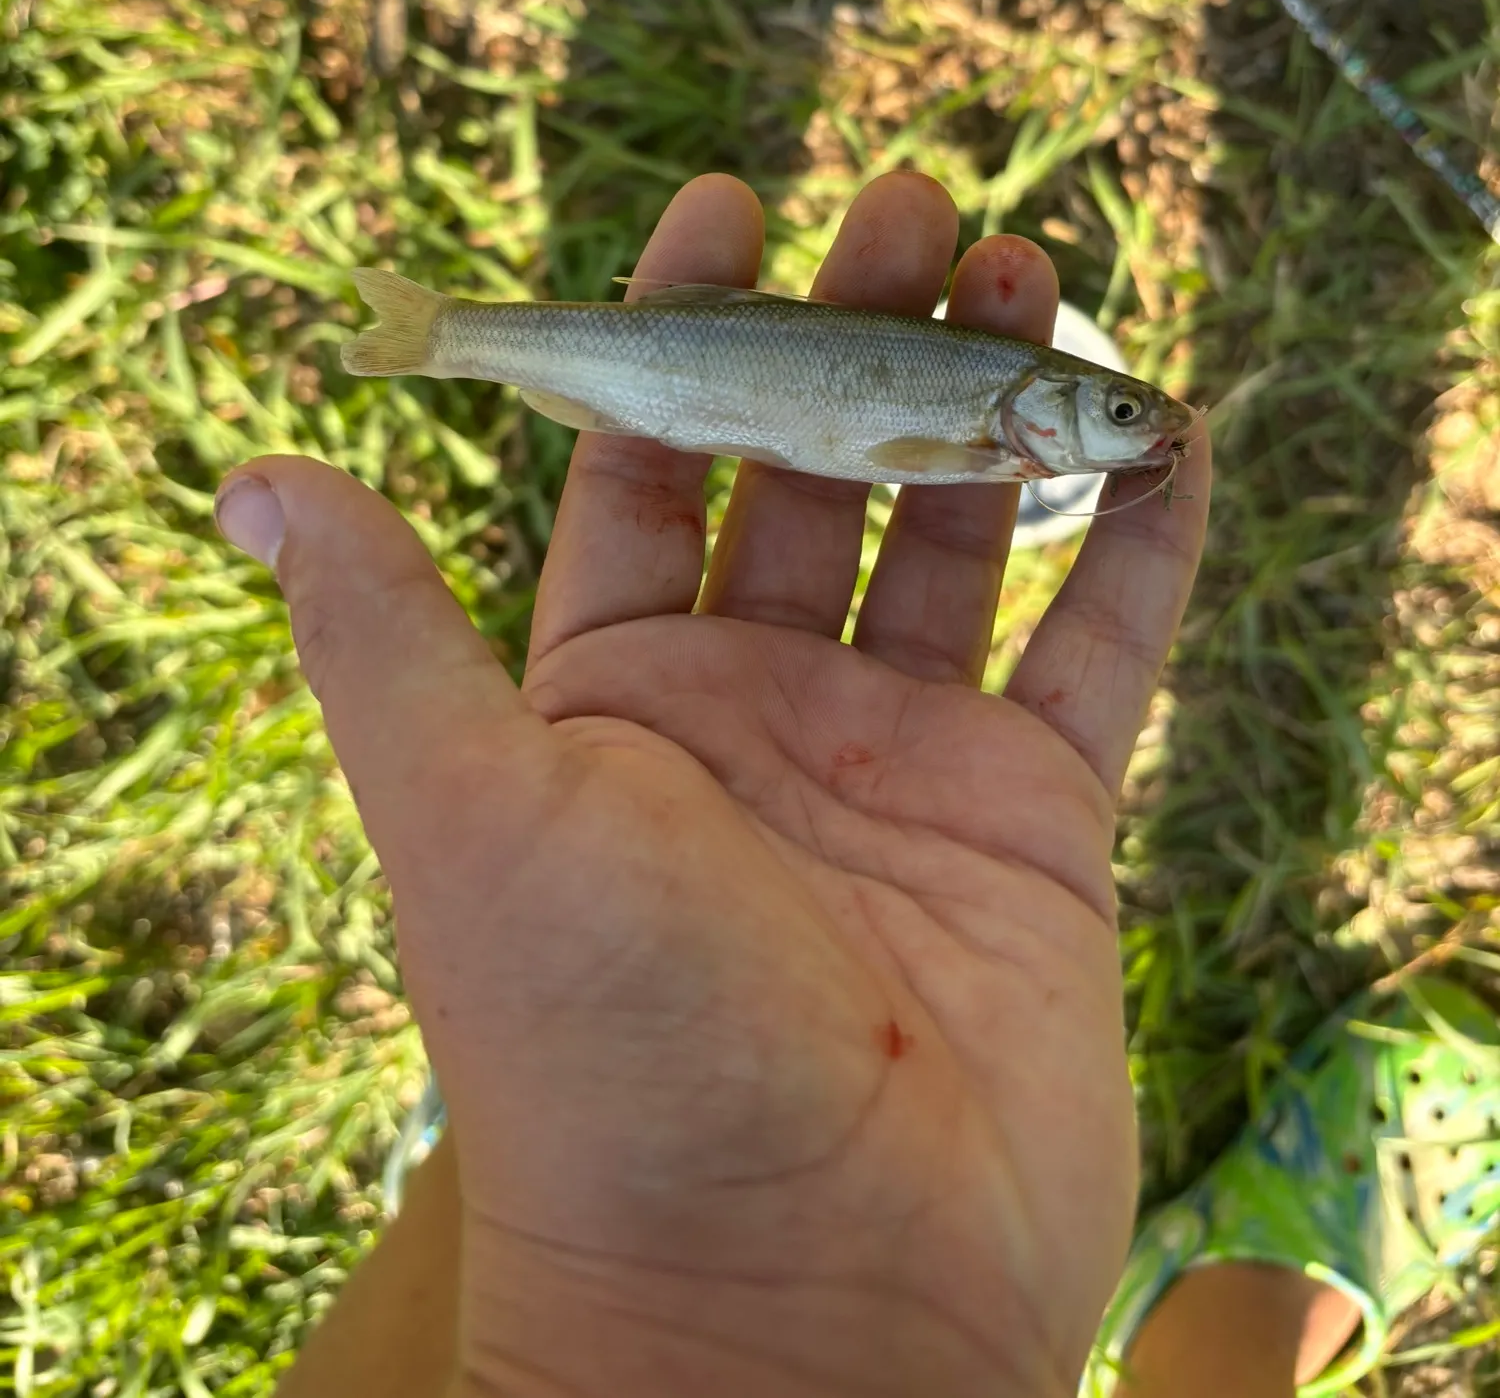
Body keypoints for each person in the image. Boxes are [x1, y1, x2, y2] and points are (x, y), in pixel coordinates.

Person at [215, 172, 1500, 1397]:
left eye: (1121, 419)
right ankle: (511, 1141)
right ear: (1045, 410)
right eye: (1112, 416)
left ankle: (490, 1156)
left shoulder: (994, 431)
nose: (1139, 429)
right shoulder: (988, 421)